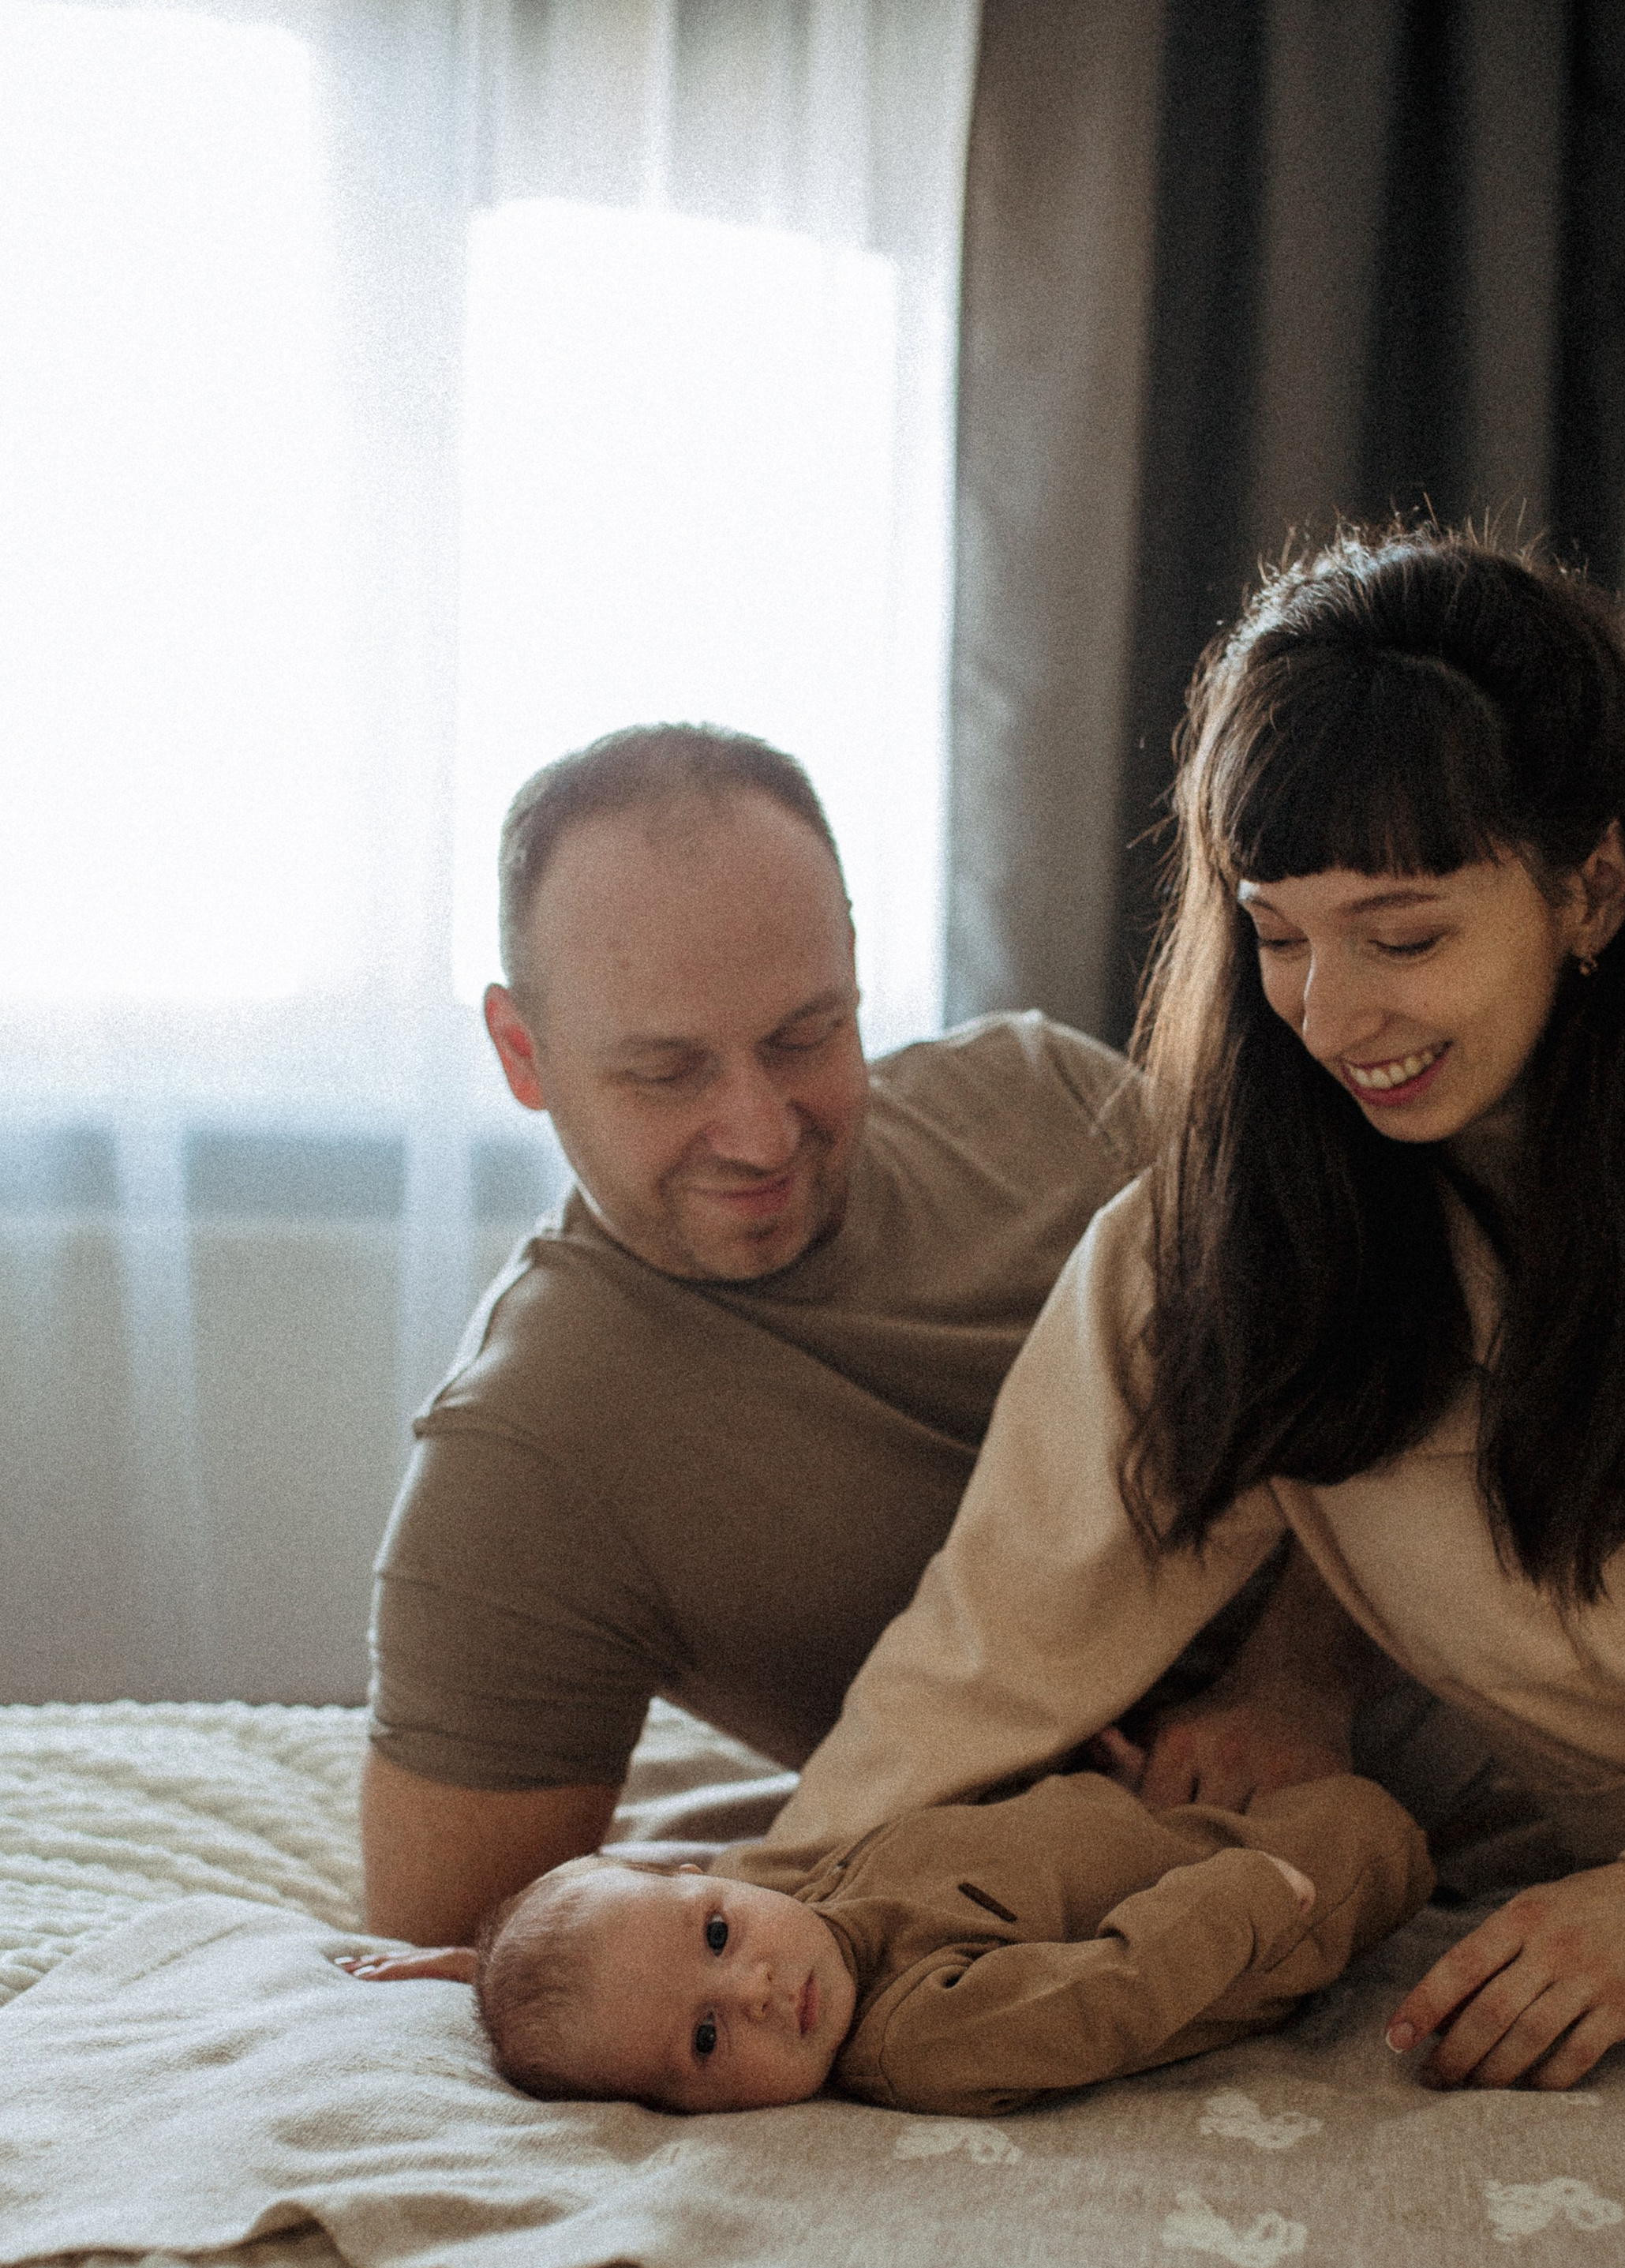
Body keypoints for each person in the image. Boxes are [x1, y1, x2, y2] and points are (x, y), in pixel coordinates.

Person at [743, 524, 1625, 2086]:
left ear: (1592, 890)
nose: (1329, 1017)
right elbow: (988, 1651)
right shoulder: (1210, 1261)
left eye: (1403, 936)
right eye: (1275, 937)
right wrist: (732, 1916)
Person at [366, 720, 1325, 1947]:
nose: (760, 1132)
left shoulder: (1046, 1100)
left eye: (804, 1035)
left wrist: (1301, 1676)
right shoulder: (526, 1458)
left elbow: (1396, 1368)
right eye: (667, 1072)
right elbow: (453, 1953)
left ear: (856, 962)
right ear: (522, 1053)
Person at [342, 1761, 1432, 2117]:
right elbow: (1117, 1990)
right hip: (1285, 1899)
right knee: (1393, 1819)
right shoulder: (922, 2034)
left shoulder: (811, 1906)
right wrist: (1248, 1894)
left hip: (1172, 1813)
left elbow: (628, 1958)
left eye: (718, 1934)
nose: (760, 1988)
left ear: (706, 1880)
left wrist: (482, 1961)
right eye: (708, 2042)